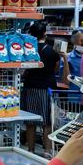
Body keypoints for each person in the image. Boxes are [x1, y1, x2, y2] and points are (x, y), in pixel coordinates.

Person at [21, 22, 58, 154]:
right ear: (45, 34)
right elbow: (55, 70)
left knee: (30, 121)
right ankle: (47, 151)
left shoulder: (27, 50)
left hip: (30, 86)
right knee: (46, 121)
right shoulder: (52, 51)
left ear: (31, 34)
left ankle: (30, 150)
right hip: (46, 88)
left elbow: (24, 70)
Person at [57, 27, 83, 92]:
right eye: (80, 40)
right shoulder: (67, 58)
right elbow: (66, 81)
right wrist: (65, 60)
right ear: (73, 41)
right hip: (75, 96)